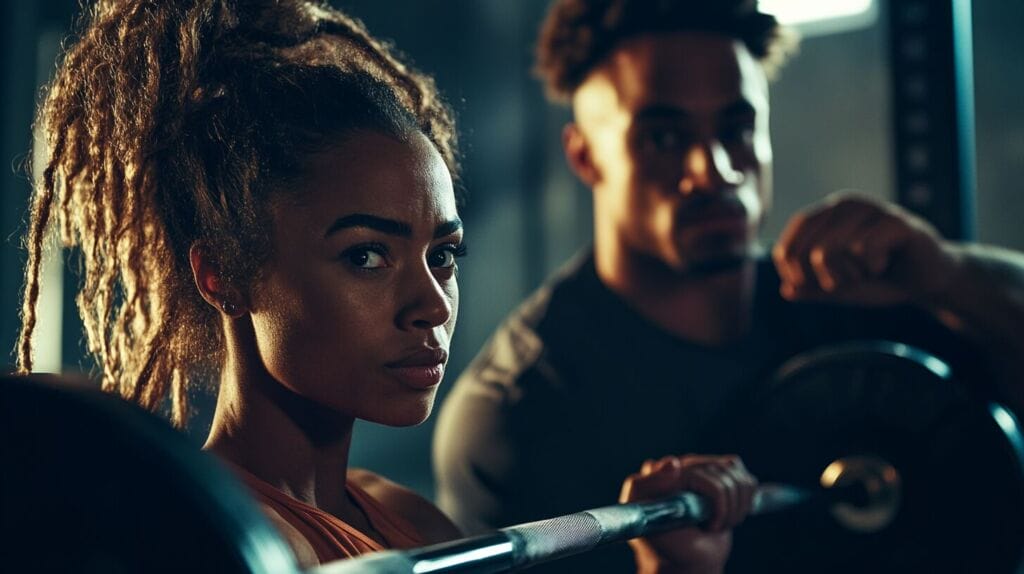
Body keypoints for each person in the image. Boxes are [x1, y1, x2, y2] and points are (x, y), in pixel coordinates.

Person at [16, 1, 758, 571]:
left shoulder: (409, 520)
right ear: (223, 275)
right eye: (367, 256)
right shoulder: (194, 537)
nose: (431, 305)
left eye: (444, 255)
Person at [433, 0, 1024, 572]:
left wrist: (948, 275)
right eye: (663, 138)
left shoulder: (858, 303)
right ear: (586, 157)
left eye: (736, 128)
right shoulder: (518, 416)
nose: (714, 170)